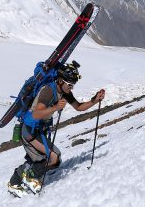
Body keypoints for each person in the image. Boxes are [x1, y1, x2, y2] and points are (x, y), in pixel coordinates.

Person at [7, 61, 105, 197]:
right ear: (60, 81)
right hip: (29, 130)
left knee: (49, 160)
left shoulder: (64, 92)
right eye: (70, 85)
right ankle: (30, 177)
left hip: (38, 130)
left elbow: (79, 107)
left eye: (73, 85)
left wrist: (95, 100)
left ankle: (15, 181)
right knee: (53, 157)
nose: (71, 88)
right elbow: (36, 113)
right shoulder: (48, 90)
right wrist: (55, 107)